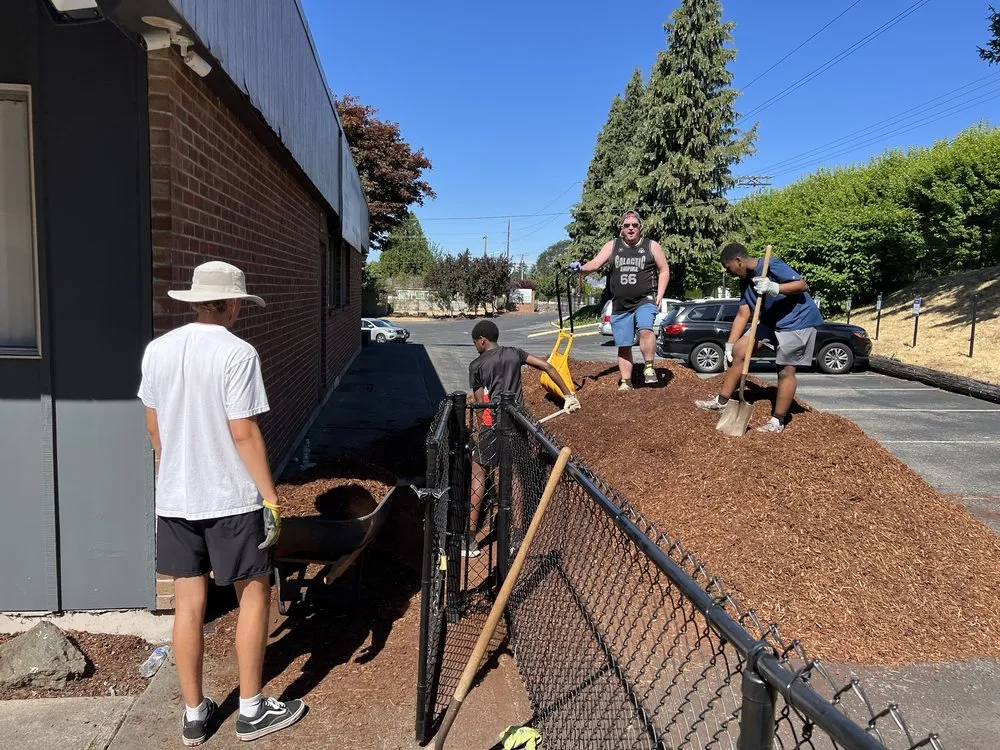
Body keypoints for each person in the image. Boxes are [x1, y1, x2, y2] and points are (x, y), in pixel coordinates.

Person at [137, 261, 306, 746]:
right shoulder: (238, 352)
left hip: (175, 499)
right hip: (230, 498)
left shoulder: (157, 351)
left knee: (187, 607)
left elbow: (154, 429)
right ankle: (251, 711)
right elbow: (243, 431)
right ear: (232, 303)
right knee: (253, 594)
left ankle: (194, 715)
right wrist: (271, 498)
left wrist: (172, 476)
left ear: (194, 300)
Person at [465, 319, 580, 557]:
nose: (476, 346)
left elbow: (480, 405)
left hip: (493, 424)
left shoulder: (476, 365)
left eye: (475, 342)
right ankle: (517, 534)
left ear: (482, 340)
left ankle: (470, 540)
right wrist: (568, 396)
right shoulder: (514, 353)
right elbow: (548, 367)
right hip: (518, 423)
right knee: (517, 477)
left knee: (479, 475)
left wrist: (484, 430)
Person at [694, 242, 824, 433]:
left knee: (785, 369)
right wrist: (730, 345)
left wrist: (774, 287)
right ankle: (722, 401)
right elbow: (742, 313)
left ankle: (777, 421)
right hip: (771, 321)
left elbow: (802, 285)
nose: (727, 272)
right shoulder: (745, 281)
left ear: (738, 261)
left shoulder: (771, 265)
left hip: (797, 321)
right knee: (739, 351)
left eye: (728, 267)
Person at [570, 210, 670, 391]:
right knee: (623, 344)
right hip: (620, 304)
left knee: (646, 329)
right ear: (621, 229)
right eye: (626, 226)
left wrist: (660, 294)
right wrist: (580, 269)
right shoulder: (613, 246)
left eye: (634, 225)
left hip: (645, 299)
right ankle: (626, 381)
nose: (631, 228)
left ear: (640, 228)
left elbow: (664, 270)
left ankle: (648, 367)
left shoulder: (651, 246)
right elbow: (595, 264)